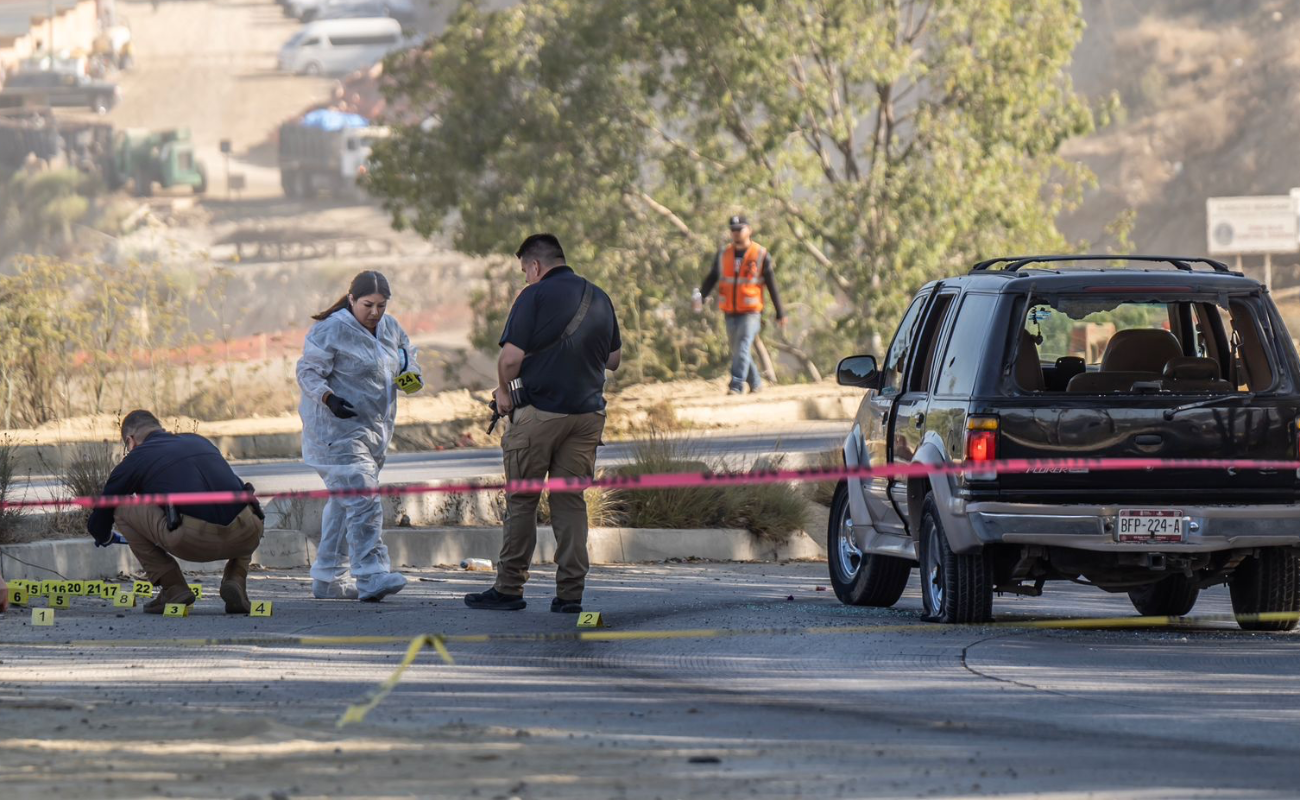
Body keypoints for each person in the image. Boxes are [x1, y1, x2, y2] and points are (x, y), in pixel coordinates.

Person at [464, 233, 621, 613]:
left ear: (535, 266)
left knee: (522, 500)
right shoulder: (598, 296)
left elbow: (509, 361)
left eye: (525, 271)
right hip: (587, 417)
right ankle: (570, 595)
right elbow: (613, 360)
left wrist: (503, 393)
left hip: (538, 415)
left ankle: (509, 589)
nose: (526, 278)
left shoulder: (532, 297)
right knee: (570, 502)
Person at [297, 270, 421, 602]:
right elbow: (308, 371)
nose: (375, 312)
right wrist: (328, 398)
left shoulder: (390, 328)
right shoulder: (331, 329)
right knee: (364, 500)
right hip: (335, 434)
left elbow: (408, 354)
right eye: (368, 304)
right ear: (352, 299)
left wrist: (411, 374)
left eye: (382, 305)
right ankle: (371, 574)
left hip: (372, 433)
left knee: (344, 504)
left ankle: (327, 579)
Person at [86, 410, 265, 615]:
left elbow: (100, 517)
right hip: (247, 532)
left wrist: (104, 536)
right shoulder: (199, 441)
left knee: (122, 509)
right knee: (245, 507)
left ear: (131, 441)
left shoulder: (136, 458)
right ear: (160, 428)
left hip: (192, 540)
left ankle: (173, 587)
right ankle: (236, 579)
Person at [695, 214, 787, 394]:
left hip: (751, 312)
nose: (736, 233)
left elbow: (771, 285)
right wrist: (702, 295)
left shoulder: (760, 254)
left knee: (743, 345)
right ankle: (756, 383)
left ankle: (736, 385)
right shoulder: (724, 254)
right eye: (733, 230)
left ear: (749, 230)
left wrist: (780, 312)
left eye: (740, 229)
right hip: (729, 310)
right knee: (738, 349)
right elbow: (712, 277)